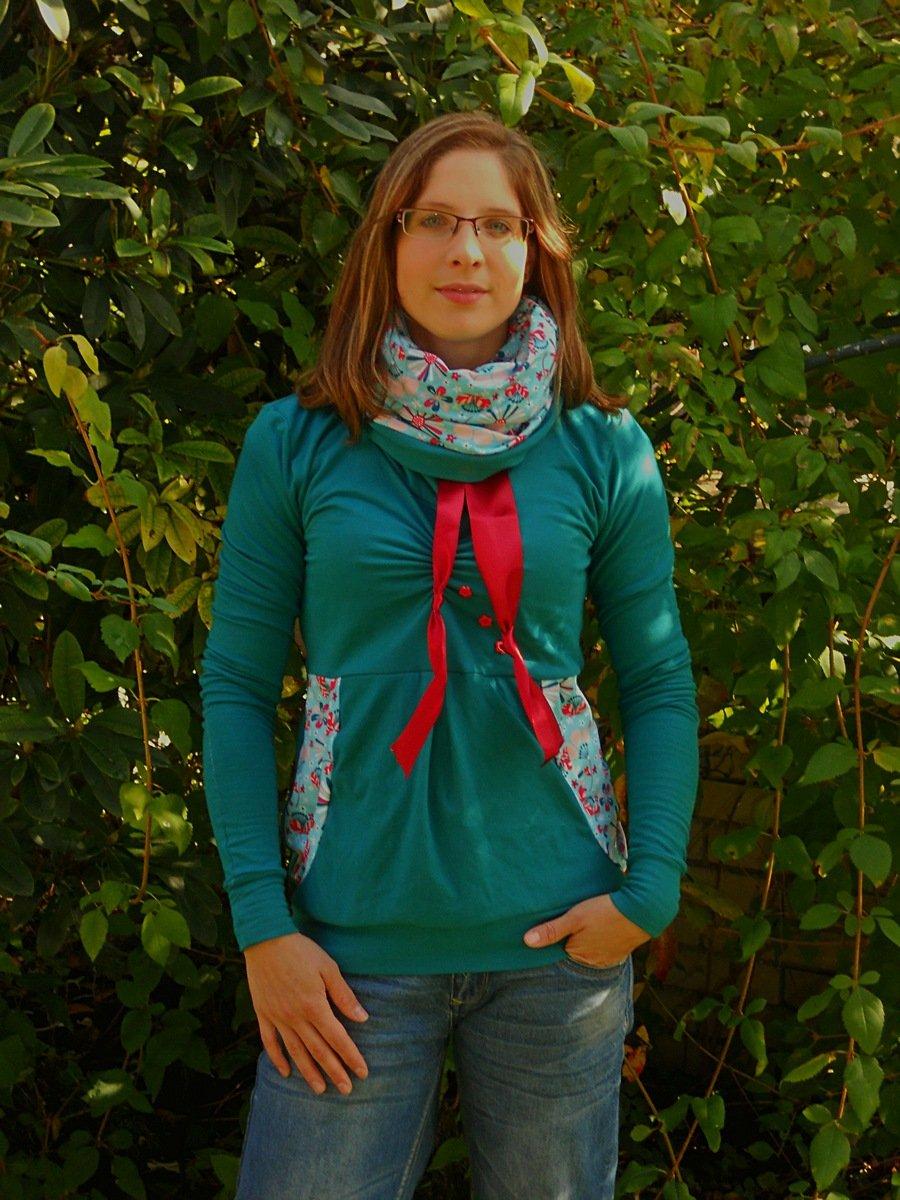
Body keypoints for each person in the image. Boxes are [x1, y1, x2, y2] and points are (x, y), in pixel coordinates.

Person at [199, 109, 699, 1200]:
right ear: (386, 242)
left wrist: (649, 894)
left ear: (535, 250)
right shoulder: (296, 441)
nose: (465, 251)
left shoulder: (603, 447)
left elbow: (659, 678)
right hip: (346, 955)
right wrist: (262, 929)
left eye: (495, 225)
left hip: (561, 950)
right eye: (432, 220)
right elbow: (234, 685)